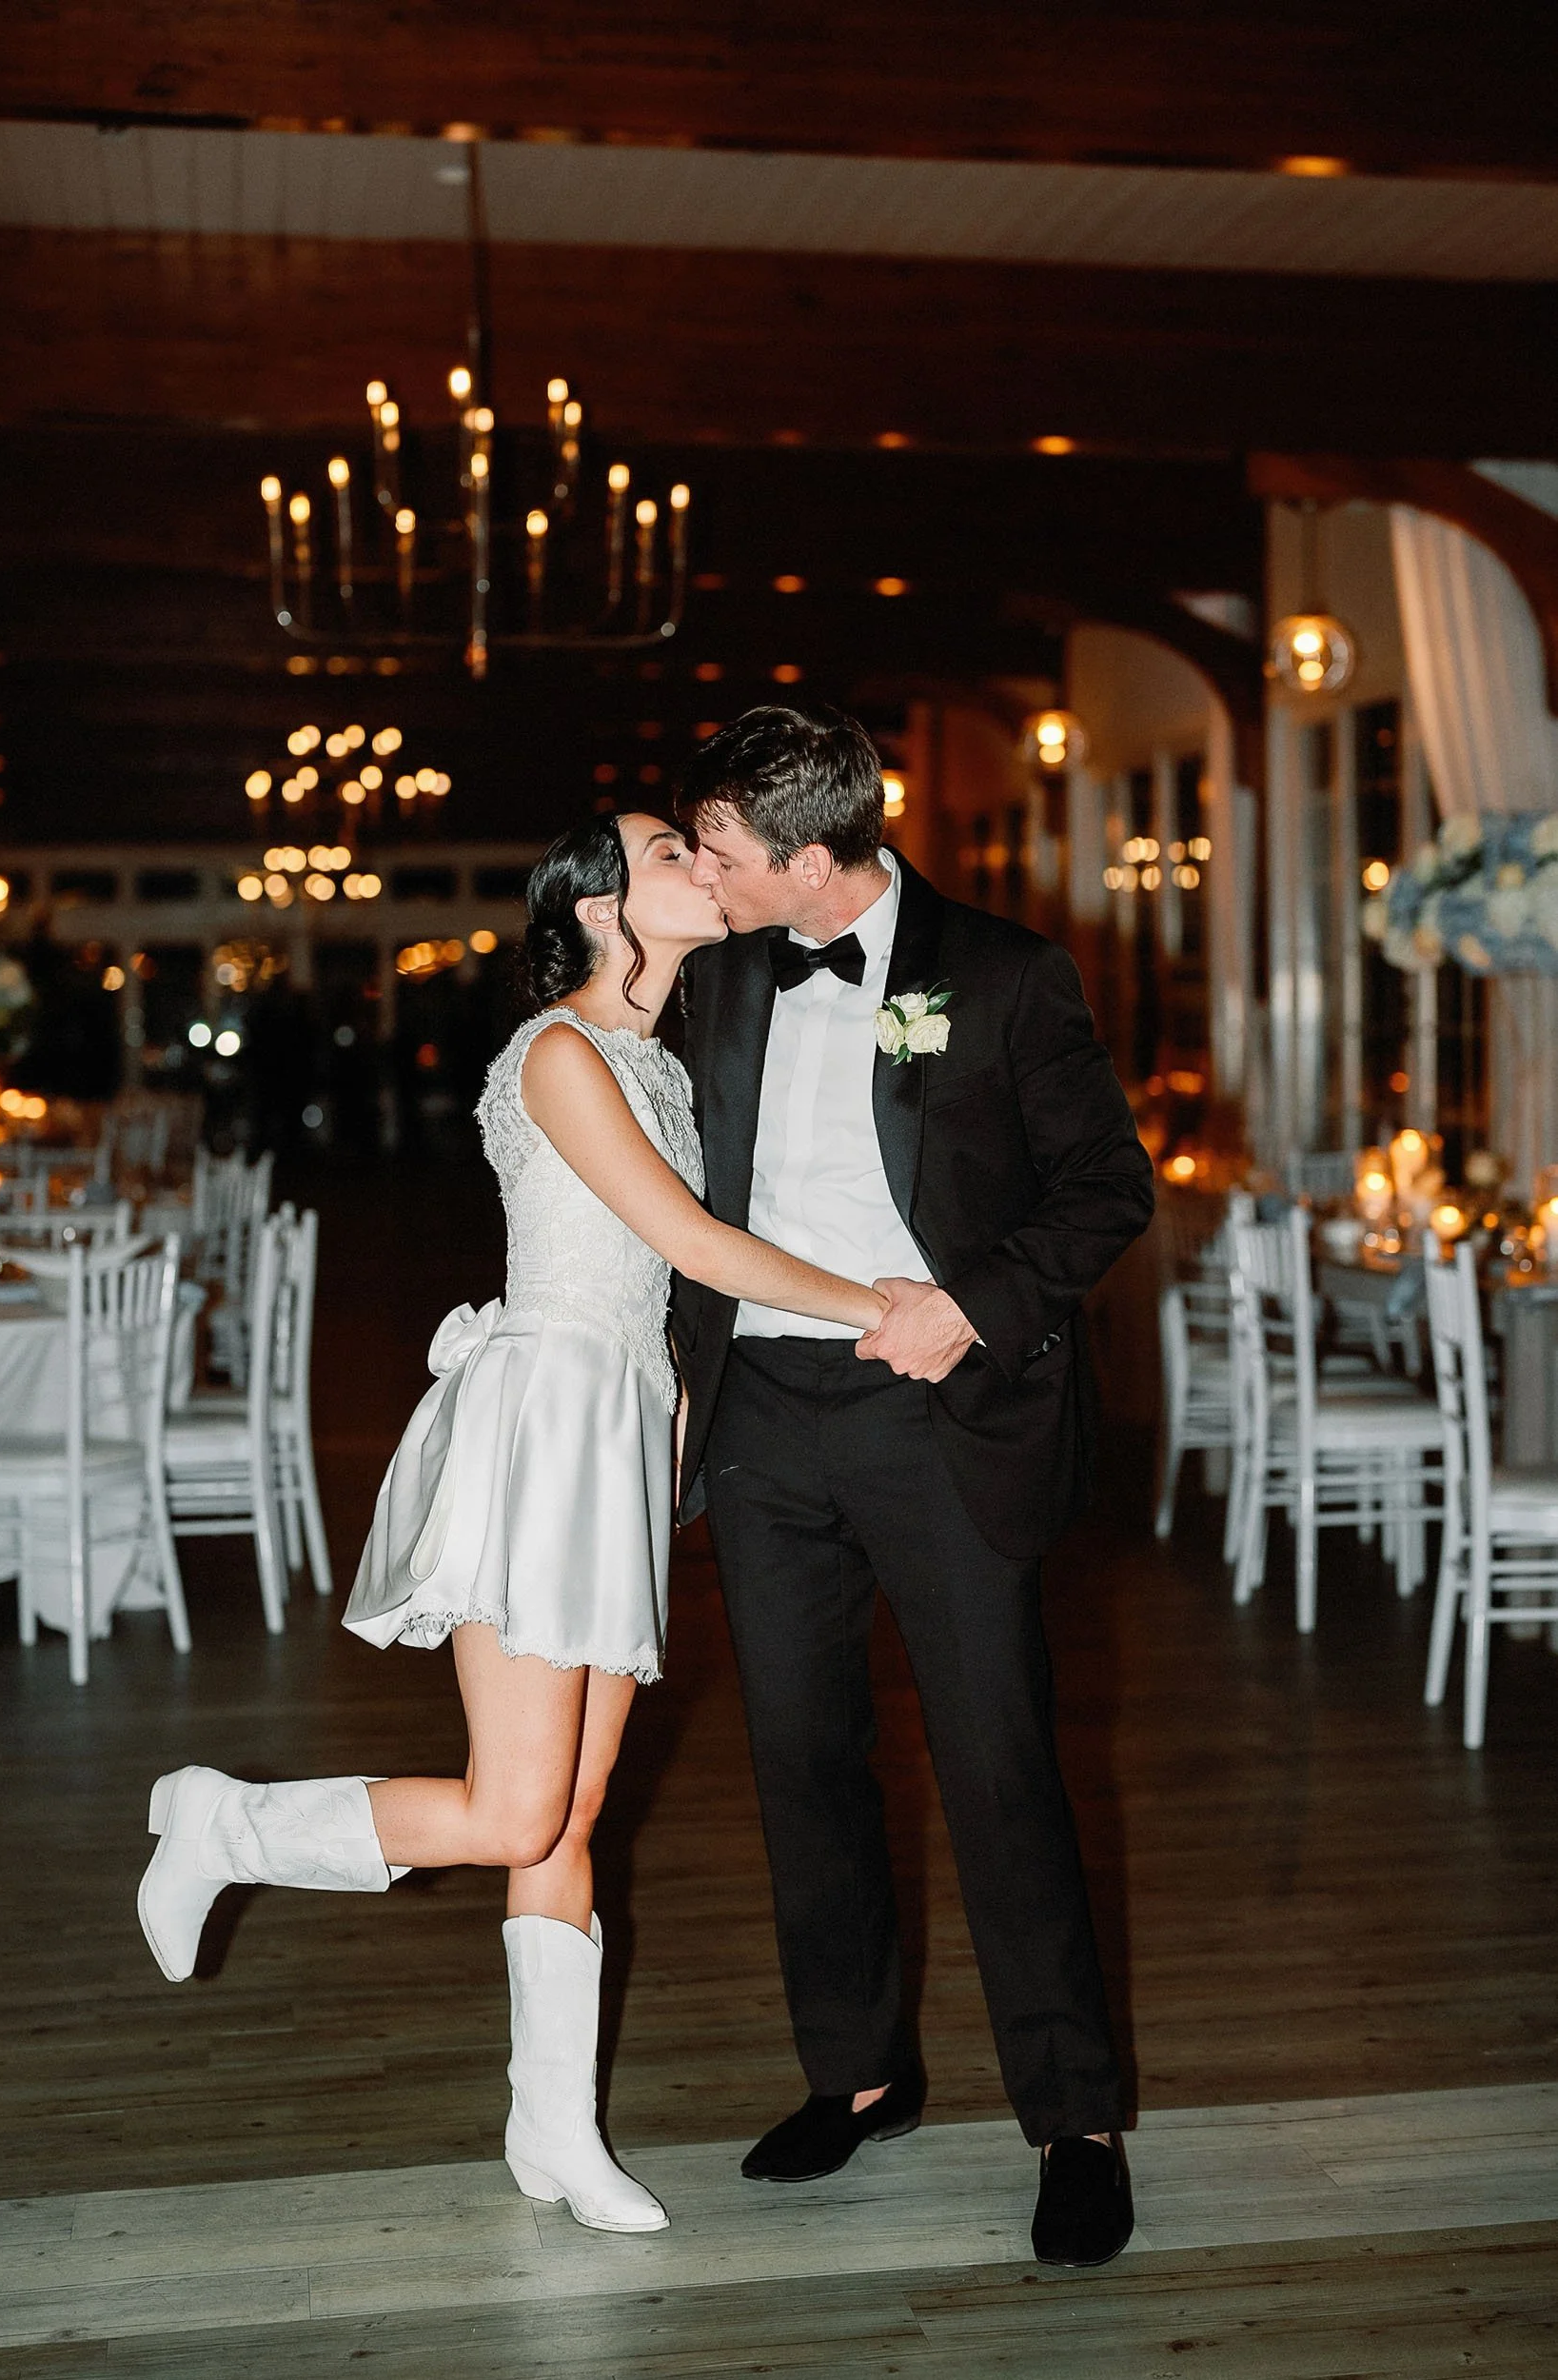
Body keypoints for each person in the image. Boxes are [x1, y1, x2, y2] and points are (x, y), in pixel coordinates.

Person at [135, 812, 887, 2236]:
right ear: (603, 909)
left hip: (617, 1441)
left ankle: (554, 2134)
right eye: (672, 852)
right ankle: (225, 1822)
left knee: (572, 1815)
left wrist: (669, 1447)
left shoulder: (656, 1058)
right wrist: (878, 1311)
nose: (700, 866)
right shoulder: (557, 1052)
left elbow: (667, 1298)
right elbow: (689, 1247)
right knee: (515, 1805)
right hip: (540, 1430)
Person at [672, 708, 1155, 2269]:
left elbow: (1106, 1190)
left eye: (728, 853)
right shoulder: (720, 968)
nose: (705, 871)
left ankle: (1072, 2120)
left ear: (813, 863)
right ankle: (859, 2075)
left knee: (999, 1767)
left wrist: (977, 1302)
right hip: (761, 1416)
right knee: (802, 1762)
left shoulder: (1005, 974)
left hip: (940, 1417)